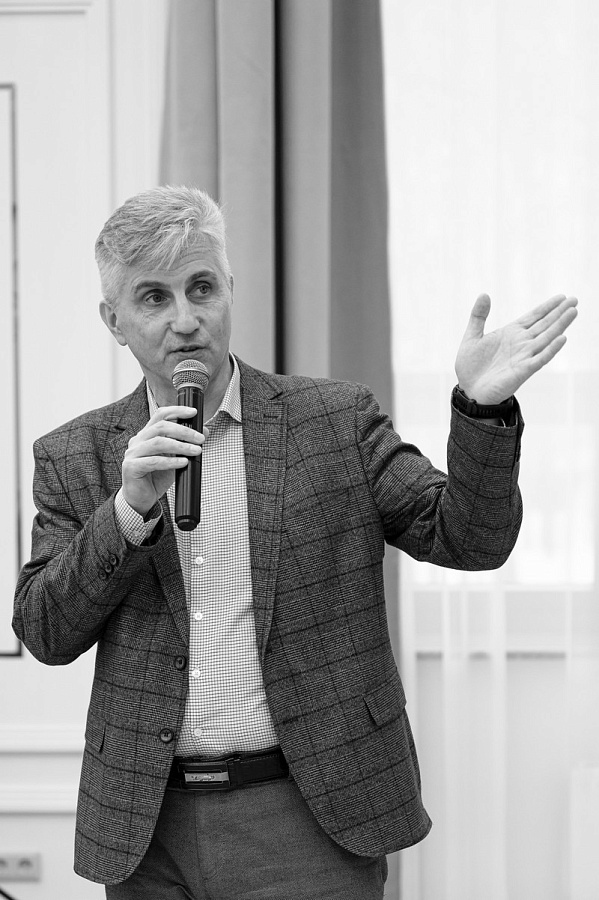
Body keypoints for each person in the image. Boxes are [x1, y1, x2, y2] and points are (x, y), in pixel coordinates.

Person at [13, 186, 578, 900]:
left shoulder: (335, 421)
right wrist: (127, 509)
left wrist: (480, 408)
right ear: (114, 321)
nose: (186, 319)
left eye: (201, 288)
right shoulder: (76, 455)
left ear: (229, 289)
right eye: (154, 298)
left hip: (310, 816)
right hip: (147, 832)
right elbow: (45, 631)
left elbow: (469, 539)